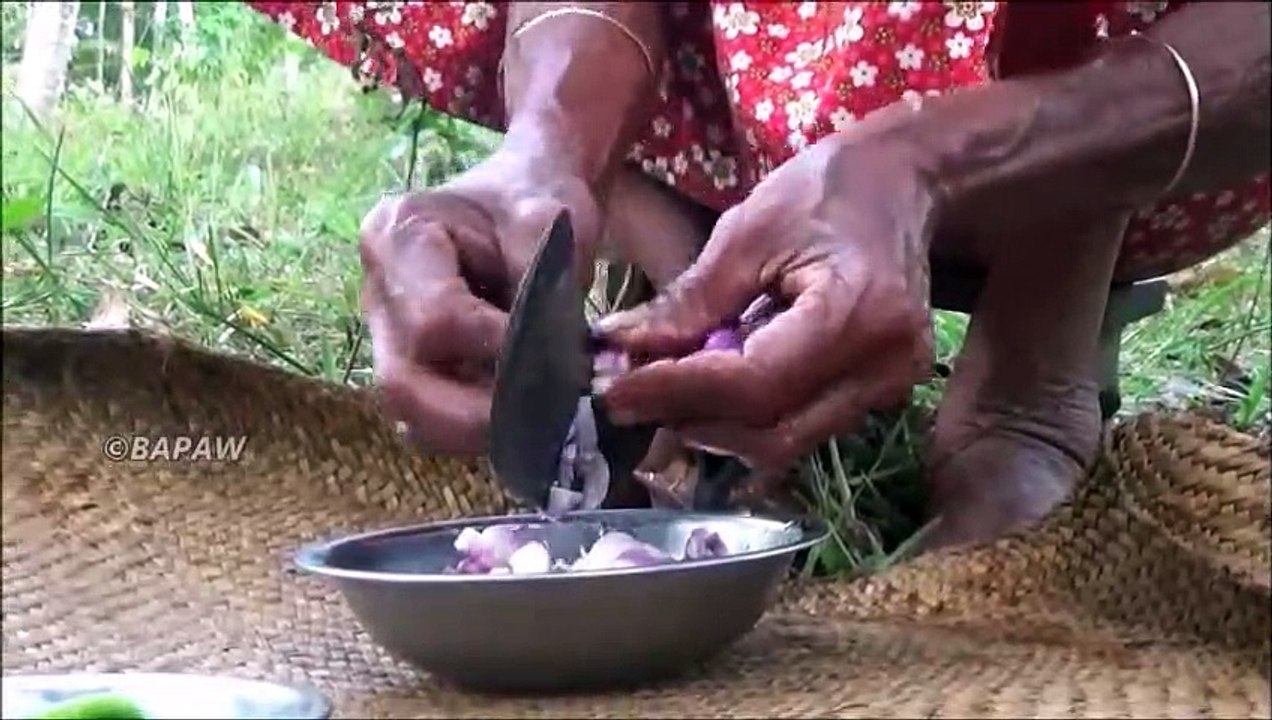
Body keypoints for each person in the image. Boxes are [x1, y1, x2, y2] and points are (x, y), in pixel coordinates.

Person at [247, 1, 1270, 551]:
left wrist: (919, 163)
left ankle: (1033, 362)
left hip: (1106, 82)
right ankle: (699, 276)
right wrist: (551, 141)